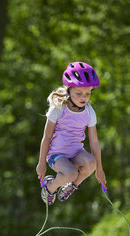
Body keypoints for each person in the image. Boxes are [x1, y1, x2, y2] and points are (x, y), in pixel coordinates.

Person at [36, 62, 107, 205]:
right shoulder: (58, 108)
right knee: (71, 173)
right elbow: (47, 137)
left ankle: (72, 185)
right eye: (79, 93)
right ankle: (50, 188)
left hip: (76, 152)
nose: (84, 98)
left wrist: (100, 170)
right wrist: (41, 163)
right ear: (69, 90)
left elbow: (94, 142)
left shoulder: (89, 112)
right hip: (57, 155)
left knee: (91, 163)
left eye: (88, 93)